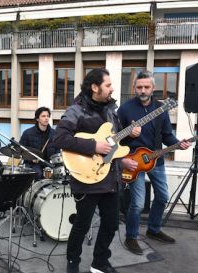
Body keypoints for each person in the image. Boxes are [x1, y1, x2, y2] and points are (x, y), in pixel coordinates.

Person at [54, 68, 140, 273]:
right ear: (95, 87)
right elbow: (59, 138)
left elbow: (114, 143)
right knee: (82, 225)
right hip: (86, 178)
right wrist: (93, 146)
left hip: (110, 178)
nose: (112, 89)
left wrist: (130, 137)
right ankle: (73, 262)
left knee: (111, 224)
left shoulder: (111, 110)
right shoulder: (77, 110)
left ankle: (99, 263)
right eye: (108, 85)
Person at [117, 70, 191, 256]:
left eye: (146, 87)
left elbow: (167, 135)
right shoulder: (124, 110)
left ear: (153, 88)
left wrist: (178, 144)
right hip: (134, 162)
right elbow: (114, 140)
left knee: (163, 197)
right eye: (139, 87)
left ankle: (153, 229)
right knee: (138, 203)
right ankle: (131, 236)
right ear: (134, 87)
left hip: (155, 160)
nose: (142, 90)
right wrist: (128, 134)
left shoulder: (161, 109)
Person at [19, 106, 57, 178]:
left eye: (48, 116)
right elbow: (21, 151)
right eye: (43, 116)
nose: (46, 118)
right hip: (33, 165)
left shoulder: (54, 133)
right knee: (37, 173)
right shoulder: (27, 133)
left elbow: (58, 150)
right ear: (37, 119)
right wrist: (31, 159)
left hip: (49, 164)